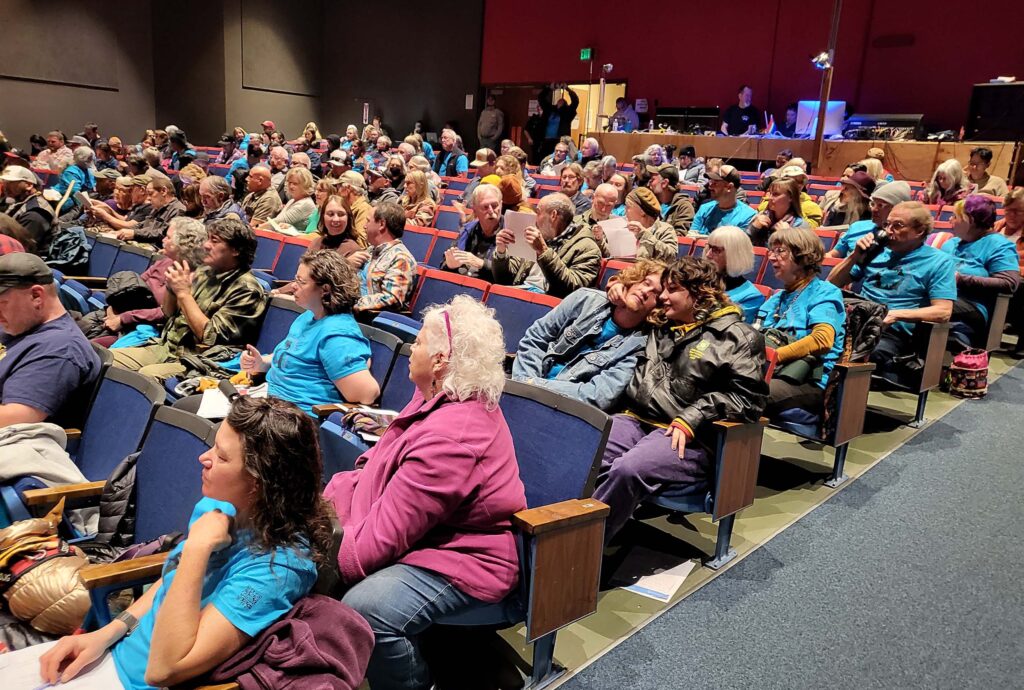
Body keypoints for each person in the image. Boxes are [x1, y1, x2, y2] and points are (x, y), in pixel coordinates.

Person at [37, 395, 331, 690]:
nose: (203, 458)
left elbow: (162, 671)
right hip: (112, 657)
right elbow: (173, 582)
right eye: (214, 446)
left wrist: (196, 550)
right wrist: (109, 633)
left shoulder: (278, 569)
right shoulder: (218, 508)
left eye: (222, 456)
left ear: (259, 482)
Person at [323, 295, 525, 690]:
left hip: (467, 557)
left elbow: (376, 543)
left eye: (418, 341)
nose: (409, 347)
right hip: (431, 533)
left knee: (366, 611)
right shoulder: (435, 394)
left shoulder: (454, 437)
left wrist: (323, 557)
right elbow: (380, 460)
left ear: (439, 359)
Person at [593, 257, 768, 539]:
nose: (662, 296)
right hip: (635, 418)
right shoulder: (660, 322)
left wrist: (694, 416)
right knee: (584, 448)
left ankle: (581, 552)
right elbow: (631, 296)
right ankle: (553, 532)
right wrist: (616, 284)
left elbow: (750, 400)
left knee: (628, 469)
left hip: (688, 434)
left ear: (698, 293)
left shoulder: (738, 337)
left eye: (672, 289)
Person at [111, 218, 266, 379]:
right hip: (167, 347)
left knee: (147, 376)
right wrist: (172, 288)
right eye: (208, 238)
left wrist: (184, 294)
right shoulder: (205, 271)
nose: (206, 245)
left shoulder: (247, 290)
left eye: (214, 241)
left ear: (236, 250)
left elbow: (209, 337)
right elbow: (168, 313)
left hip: (198, 360)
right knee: (108, 359)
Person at [827, 202, 956, 385]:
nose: (888, 231)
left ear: (919, 231)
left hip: (891, 334)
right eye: (887, 225)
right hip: (854, 322)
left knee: (848, 354)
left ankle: (839, 407)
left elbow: (943, 311)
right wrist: (855, 255)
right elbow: (832, 284)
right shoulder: (877, 251)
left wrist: (895, 315)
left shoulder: (939, 262)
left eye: (897, 226)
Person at [238, 251, 379, 414]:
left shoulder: (337, 336)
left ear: (324, 289)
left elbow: (368, 394)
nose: (293, 286)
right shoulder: (308, 316)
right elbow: (293, 357)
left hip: (297, 418)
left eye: (301, 281)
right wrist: (261, 363)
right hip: (271, 404)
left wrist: (357, 365)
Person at [513, 259, 665, 410]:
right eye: (646, 283)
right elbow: (535, 338)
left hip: (563, 409)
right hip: (526, 381)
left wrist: (535, 387)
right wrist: (523, 383)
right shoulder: (586, 299)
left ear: (657, 307)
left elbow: (598, 394)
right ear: (635, 280)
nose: (645, 292)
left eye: (655, 294)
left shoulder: (640, 346)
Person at [0, 253, 101, 428]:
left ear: (36, 296)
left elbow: (12, 419)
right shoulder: (17, 324)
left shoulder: (60, 348)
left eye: (1, 304)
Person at [757, 225, 847, 415]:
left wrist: (775, 356)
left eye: (780, 251)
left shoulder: (824, 292)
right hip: (769, 372)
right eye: (771, 251)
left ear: (803, 256)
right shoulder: (776, 299)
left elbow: (822, 340)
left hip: (806, 381)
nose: (772, 257)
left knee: (743, 394)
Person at [81, 217, 207, 347]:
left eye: (168, 238)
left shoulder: (191, 278)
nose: (163, 240)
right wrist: (114, 309)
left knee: (90, 347)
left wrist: (124, 318)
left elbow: (165, 313)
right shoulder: (164, 261)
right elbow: (134, 287)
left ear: (182, 244)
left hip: (144, 328)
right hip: (122, 313)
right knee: (77, 330)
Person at [940, 195, 1020, 349]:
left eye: (955, 217)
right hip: (942, 296)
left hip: (971, 305)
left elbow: (1009, 283)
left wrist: (961, 279)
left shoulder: (999, 245)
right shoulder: (951, 243)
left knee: (923, 302)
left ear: (969, 220)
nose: (950, 220)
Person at [493, 193, 601, 298]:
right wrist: (501, 252)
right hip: (520, 295)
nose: (535, 218)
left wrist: (543, 251)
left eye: (538, 212)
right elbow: (504, 280)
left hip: (550, 307)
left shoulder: (588, 248)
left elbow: (573, 290)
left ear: (553, 215)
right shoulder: (539, 235)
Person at [352, 200, 417, 316]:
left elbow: (392, 299)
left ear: (381, 224)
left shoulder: (401, 258)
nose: (364, 226)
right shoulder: (371, 250)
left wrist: (352, 303)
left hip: (368, 319)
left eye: (368, 221)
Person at [829, 181, 913, 259]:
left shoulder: (902, 237)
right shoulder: (857, 226)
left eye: (881, 205)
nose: (874, 209)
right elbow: (833, 254)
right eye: (873, 204)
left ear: (897, 208)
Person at [706, 226, 766, 323]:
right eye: (709, 247)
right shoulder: (700, 282)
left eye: (716, 250)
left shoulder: (751, 297)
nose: (708, 254)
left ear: (734, 255)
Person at [444, 183, 502, 280]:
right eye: (485, 207)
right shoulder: (467, 230)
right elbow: (445, 263)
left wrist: (482, 264)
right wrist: (450, 265)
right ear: (475, 210)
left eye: (495, 205)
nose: (491, 211)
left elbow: (511, 276)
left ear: (501, 204)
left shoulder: (511, 234)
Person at [0, 166, 55, 256]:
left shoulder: (35, 214)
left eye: (12, 183)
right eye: (5, 182)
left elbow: (22, 248)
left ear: (29, 185)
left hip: (29, 259)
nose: (5, 187)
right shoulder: (15, 200)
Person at [691, 164, 757, 235]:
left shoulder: (748, 216)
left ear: (729, 187)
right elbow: (691, 238)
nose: (709, 186)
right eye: (710, 181)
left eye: (715, 183)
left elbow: (734, 244)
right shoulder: (704, 209)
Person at [622, 187, 678, 262]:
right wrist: (601, 240)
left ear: (642, 211)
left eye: (628, 207)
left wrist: (644, 235)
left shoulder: (665, 229)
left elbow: (671, 256)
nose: (624, 211)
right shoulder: (625, 227)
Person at [748, 178, 807, 246]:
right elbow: (741, 247)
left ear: (790, 197)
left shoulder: (800, 225)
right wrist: (753, 228)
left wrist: (787, 237)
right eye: (770, 193)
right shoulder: (760, 217)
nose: (770, 198)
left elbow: (802, 254)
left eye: (776, 194)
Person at [262, 167, 316, 231]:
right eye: (290, 183)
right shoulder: (292, 200)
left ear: (306, 185)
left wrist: (257, 228)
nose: (291, 186)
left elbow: (277, 222)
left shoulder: (306, 203)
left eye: (295, 184)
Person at [648, 163, 694, 234]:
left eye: (652, 180)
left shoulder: (684, 207)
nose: (649, 184)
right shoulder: (651, 203)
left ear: (664, 183)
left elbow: (679, 235)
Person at [578, 183, 619, 257]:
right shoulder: (576, 221)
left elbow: (616, 257)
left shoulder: (619, 226)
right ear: (593, 198)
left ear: (615, 204)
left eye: (609, 205)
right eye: (600, 203)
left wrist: (600, 241)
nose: (603, 209)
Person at [538, 84, 580, 158]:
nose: (560, 101)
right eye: (559, 101)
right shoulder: (550, 109)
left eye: (562, 101)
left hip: (559, 140)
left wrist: (567, 89)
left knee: (558, 158)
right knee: (544, 158)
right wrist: (549, 88)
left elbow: (575, 101)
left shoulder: (568, 112)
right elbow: (541, 98)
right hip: (546, 140)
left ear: (565, 104)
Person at [337, 170, 373, 242]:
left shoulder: (364, 209)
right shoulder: (346, 207)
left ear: (348, 189)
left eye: (339, 186)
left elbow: (362, 242)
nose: (337, 190)